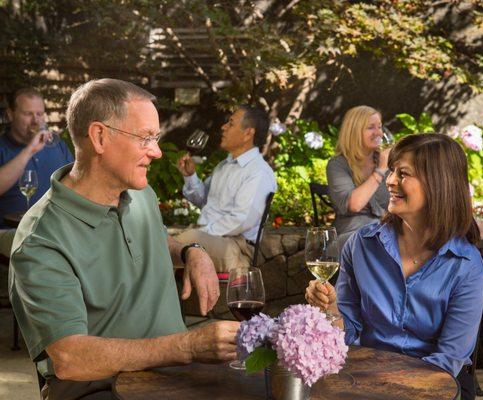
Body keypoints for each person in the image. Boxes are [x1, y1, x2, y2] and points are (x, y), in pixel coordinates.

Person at [9, 79, 239, 400]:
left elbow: (157, 242)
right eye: (145, 138)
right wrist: (187, 345)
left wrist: (190, 252)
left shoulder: (140, 195)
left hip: (177, 379)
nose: (157, 152)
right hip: (102, 391)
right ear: (99, 137)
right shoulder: (40, 239)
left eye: (155, 138)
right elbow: (70, 359)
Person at [306, 133, 483, 400]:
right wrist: (329, 310)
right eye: (392, 171)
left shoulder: (466, 265)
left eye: (403, 173)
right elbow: (347, 333)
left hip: (435, 384)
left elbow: (449, 358)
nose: (390, 181)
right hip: (364, 376)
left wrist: (389, 388)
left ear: (438, 183)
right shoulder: (361, 245)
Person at [175, 105, 277, 272]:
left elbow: (241, 219)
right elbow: (204, 201)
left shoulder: (259, 172)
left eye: (230, 123)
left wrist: (204, 232)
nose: (223, 127)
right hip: (211, 239)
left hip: (237, 248)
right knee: (167, 243)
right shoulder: (224, 166)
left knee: (180, 244)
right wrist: (190, 176)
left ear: (248, 133)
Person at [0, 88, 74, 228]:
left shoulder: (57, 145)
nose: (35, 120)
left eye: (39, 114)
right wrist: (30, 150)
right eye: (28, 114)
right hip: (11, 234)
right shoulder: (2, 148)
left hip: (53, 232)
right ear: (10, 115)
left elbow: (75, 182)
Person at [327, 105, 390, 249]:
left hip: (386, 234)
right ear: (354, 131)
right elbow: (354, 205)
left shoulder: (388, 163)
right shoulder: (337, 165)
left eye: (380, 127)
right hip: (351, 237)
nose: (378, 133)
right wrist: (380, 170)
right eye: (371, 127)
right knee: (368, 241)